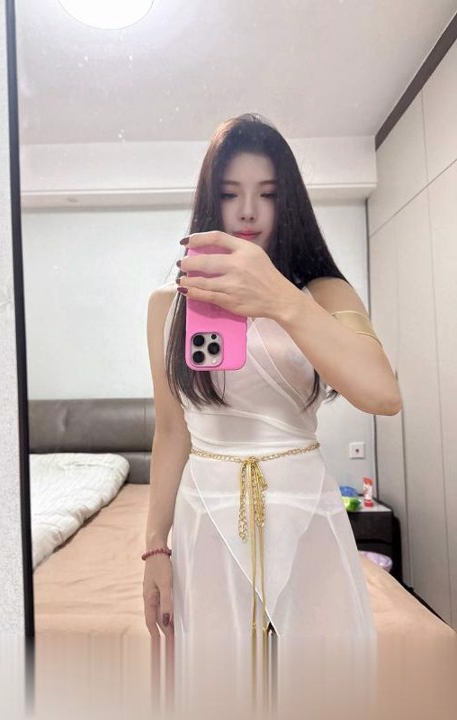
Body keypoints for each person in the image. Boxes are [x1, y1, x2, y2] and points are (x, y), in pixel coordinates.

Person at [143, 113, 401, 717]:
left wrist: (281, 299)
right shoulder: (168, 307)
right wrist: (155, 548)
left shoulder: (323, 294)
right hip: (206, 516)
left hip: (304, 511)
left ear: (291, 204)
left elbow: (382, 394)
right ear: (210, 201)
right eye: (230, 194)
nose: (247, 212)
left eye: (267, 194)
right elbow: (172, 429)